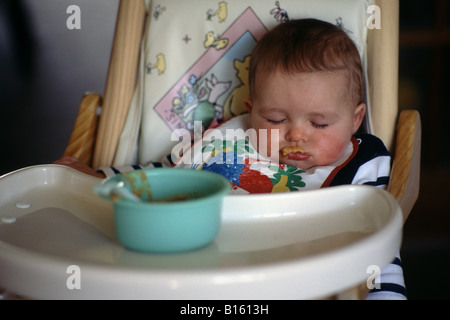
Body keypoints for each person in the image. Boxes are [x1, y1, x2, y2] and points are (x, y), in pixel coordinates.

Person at [55, 19, 406, 299]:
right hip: (196, 279)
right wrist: (98, 179)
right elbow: (166, 176)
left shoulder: (363, 162)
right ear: (251, 112)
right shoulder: (231, 141)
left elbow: (380, 245)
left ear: (355, 120)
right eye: (275, 119)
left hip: (304, 285)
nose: (296, 135)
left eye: (319, 123)